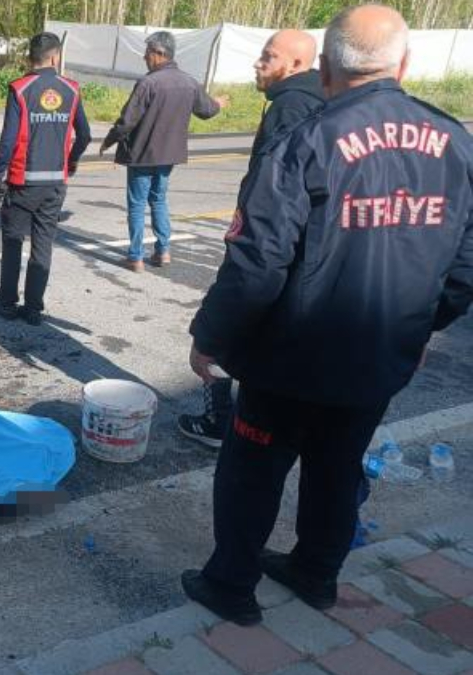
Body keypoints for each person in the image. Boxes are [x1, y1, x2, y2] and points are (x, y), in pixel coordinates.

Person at [181, 4, 473, 626]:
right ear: (404, 63)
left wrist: (209, 337)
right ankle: (316, 573)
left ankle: (232, 584)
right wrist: (426, 326)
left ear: (328, 68)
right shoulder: (455, 142)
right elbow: (466, 262)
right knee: (338, 467)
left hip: (292, 357)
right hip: (379, 354)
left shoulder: (303, 141)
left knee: (252, 470)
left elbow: (257, 264)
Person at [177, 30, 325, 449]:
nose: (258, 63)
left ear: (296, 64)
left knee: (232, 330)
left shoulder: (289, 107)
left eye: (268, 56)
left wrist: (209, 332)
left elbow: (273, 201)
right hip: (311, 260)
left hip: (275, 247)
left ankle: (218, 422)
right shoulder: (324, 100)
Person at [100, 31, 225, 272]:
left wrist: (109, 141)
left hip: (142, 154)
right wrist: (219, 103)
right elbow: (207, 110)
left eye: (147, 53)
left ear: (159, 54)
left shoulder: (148, 83)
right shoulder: (189, 82)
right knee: (158, 200)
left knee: (137, 205)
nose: (144, 57)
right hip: (169, 155)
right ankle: (163, 251)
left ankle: (135, 257)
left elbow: (127, 120)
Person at [0, 32, 92, 325]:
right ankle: (34, 309)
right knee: (43, 244)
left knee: (12, 241)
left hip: (23, 182)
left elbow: (8, 139)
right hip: (55, 184)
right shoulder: (71, 90)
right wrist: (70, 161)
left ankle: (7, 303)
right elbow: (84, 135)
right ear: (55, 57)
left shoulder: (21, 89)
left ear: (30, 58)